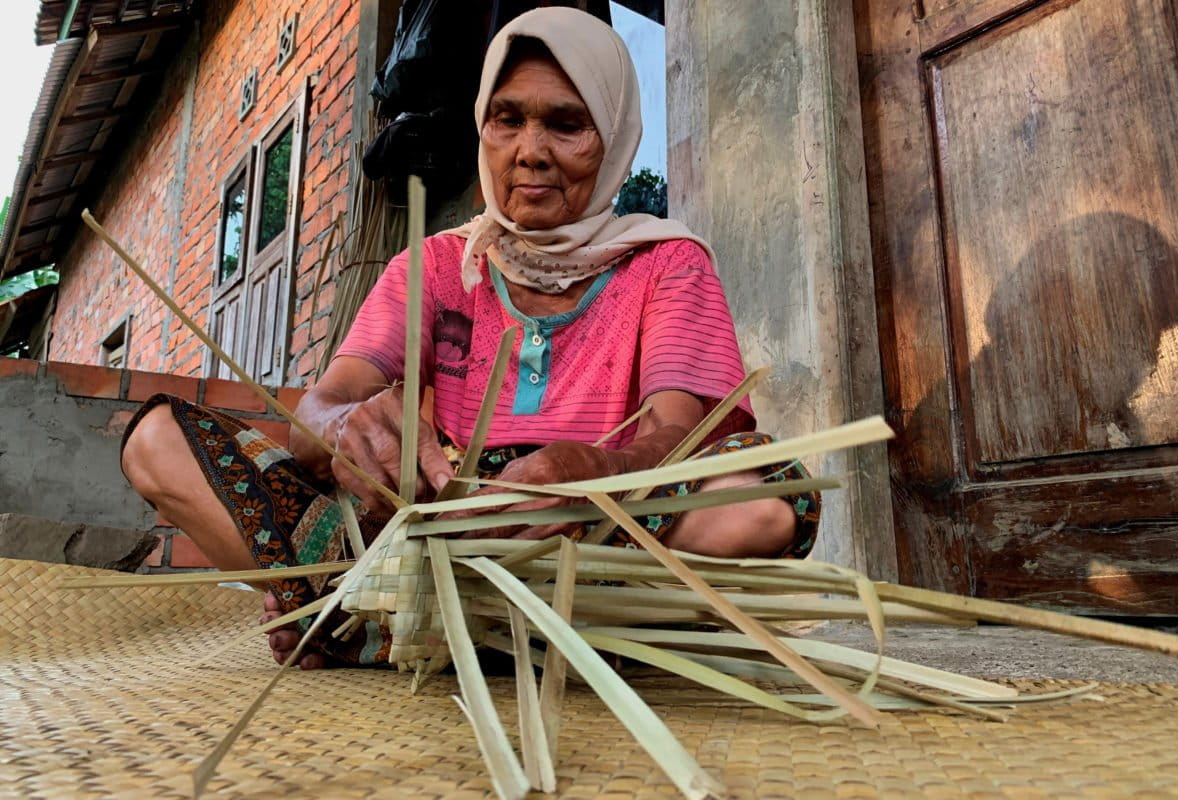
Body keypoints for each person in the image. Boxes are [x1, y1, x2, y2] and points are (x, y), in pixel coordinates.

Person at [120, 7, 820, 669]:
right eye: (506, 120)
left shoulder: (667, 263)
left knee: (760, 502)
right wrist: (348, 432)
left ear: (613, 134)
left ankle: (368, 626)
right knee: (157, 442)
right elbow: (317, 412)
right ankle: (434, 619)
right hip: (425, 539)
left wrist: (590, 473)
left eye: (566, 125)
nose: (530, 152)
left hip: (593, 542)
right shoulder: (434, 267)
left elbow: (678, 435)